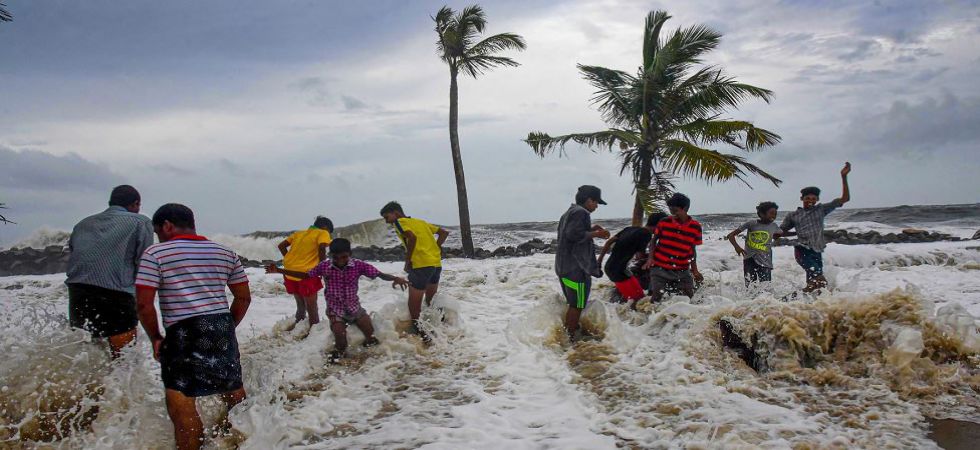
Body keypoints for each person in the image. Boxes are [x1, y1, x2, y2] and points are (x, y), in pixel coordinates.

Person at [135, 204, 251, 450]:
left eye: (158, 232)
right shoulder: (225, 252)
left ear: (166, 226)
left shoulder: (156, 254)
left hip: (184, 330)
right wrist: (228, 326)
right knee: (233, 390)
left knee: (183, 404)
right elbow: (243, 297)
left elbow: (144, 305)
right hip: (220, 323)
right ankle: (247, 440)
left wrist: (156, 337)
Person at [266, 238, 409, 362]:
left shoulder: (359, 265)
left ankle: (370, 360)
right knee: (341, 340)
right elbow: (305, 275)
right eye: (336, 258)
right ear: (330, 256)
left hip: (355, 309)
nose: (340, 261)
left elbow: (379, 274)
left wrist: (395, 278)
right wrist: (280, 270)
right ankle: (338, 361)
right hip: (335, 311)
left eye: (344, 257)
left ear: (350, 255)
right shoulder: (325, 266)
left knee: (370, 335)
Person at [65, 185, 154, 358]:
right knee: (125, 362)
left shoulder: (83, 223)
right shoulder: (140, 222)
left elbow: (74, 251)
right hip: (115, 295)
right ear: (136, 204)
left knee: (86, 358)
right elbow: (144, 263)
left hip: (78, 292)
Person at [379, 201, 449, 343]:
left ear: (395, 212)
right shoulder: (420, 222)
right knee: (431, 300)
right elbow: (443, 233)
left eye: (387, 217)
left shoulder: (399, 223)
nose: (387, 222)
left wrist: (407, 260)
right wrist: (437, 247)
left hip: (421, 266)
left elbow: (412, 237)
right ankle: (443, 327)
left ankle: (423, 335)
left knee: (414, 308)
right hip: (435, 264)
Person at [780, 162, 852, 293]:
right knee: (821, 280)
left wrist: (844, 177)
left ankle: (801, 303)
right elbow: (780, 232)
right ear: (801, 198)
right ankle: (793, 299)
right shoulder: (793, 215)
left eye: (813, 198)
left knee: (817, 286)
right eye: (807, 198)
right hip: (802, 251)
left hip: (817, 251)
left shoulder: (821, 210)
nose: (810, 200)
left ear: (817, 199)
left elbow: (845, 198)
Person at [556, 185, 610, 339]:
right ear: (588, 200)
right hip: (575, 270)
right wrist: (597, 234)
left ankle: (568, 332)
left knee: (573, 303)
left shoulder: (569, 213)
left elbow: (569, 234)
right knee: (577, 305)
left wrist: (592, 230)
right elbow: (574, 234)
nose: (597, 206)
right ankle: (570, 338)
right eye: (595, 202)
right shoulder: (582, 212)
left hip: (562, 268)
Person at [642, 193, 703, 307]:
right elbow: (653, 241)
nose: (672, 213)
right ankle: (650, 321)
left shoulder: (696, 227)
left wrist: (694, 270)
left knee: (689, 298)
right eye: (670, 210)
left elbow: (692, 250)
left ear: (685, 209)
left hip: (682, 270)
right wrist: (650, 259)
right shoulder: (664, 222)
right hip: (660, 267)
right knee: (656, 298)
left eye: (675, 210)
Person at [597, 212, 668, 303]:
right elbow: (639, 256)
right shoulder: (646, 234)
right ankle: (622, 314)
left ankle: (621, 311)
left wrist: (599, 261)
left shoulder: (629, 229)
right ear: (659, 225)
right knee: (636, 300)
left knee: (639, 297)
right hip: (618, 272)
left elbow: (609, 242)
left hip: (613, 267)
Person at [277, 216, 333, 325]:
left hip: (289, 273)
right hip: (306, 274)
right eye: (329, 232)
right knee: (312, 309)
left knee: (301, 307)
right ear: (325, 227)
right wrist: (323, 268)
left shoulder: (298, 233)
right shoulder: (322, 232)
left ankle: (298, 330)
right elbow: (322, 247)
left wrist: (289, 260)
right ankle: (313, 335)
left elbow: (281, 246)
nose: (328, 236)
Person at [727, 202, 791, 287]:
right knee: (750, 286)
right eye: (771, 213)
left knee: (766, 287)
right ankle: (751, 300)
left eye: (775, 214)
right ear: (761, 213)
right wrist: (737, 247)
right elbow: (730, 235)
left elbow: (780, 235)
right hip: (749, 259)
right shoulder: (751, 224)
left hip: (766, 261)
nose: (774, 216)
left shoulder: (774, 226)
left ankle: (766, 301)